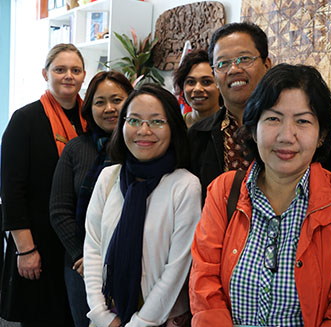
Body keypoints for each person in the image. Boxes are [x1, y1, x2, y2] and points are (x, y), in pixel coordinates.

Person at [190, 64, 331, 327]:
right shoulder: (223, 192)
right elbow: (204, 283)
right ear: (253, 129)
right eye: (273, 118)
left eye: (303, 121)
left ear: (321, 135)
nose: (287, 136)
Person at [84, 84, 201, 327]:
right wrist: (102, 316)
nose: (144, 131)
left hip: (160, 318)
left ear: (173, 128)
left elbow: (177, 266)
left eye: (157, 122)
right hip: (107, 316)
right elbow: (93, 249)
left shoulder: (185, 185)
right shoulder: (109, 178)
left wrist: (141, 322)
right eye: (134, 121)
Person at [1, 43, 87, 326]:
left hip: (78, 243)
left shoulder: (93, 118)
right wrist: (25, 250)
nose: (68, 76)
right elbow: (12, 190)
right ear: (45, 73)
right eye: (60, 69)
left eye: (75, 70)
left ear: (84, 75)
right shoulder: (25, 120)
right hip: (38, 241)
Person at [50, 71, 133, 327]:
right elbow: (59, 210)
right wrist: (81, 257)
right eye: (99, 102)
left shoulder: (142, 146)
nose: (109, 108)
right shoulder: (76, 149)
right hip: (81, 267)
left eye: (117, 100)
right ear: (89, 107)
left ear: (131, 100)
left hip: (132, 261)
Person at [188, 22, 272, 200]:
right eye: (223, 63)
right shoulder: (197, 137)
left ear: (267, 65)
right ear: (215, 76)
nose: (234, 69)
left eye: (244, 59)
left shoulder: (294, 128)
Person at [173, 49, 222, 128]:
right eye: (191, 82)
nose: (197, 89)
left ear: (220, 86)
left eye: (206, 82)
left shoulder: (233, 126)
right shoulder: (174, 127)